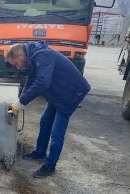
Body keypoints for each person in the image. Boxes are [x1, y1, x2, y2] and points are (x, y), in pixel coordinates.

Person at [6, 41, 91, 178]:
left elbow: (42, 82)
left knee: (57, 133)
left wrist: (22, 102)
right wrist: (20, 99)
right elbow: (31, 80)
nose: (17, 67)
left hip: (71, 93)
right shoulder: (33, 57)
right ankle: (40, 152)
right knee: (45, 121)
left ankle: (50, 165)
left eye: (16, 64)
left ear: (21, 55)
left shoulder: (43, 55)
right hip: (58, 92)